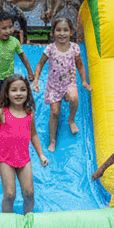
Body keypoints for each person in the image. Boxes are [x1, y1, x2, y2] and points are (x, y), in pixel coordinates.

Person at [0, 75, 48, 213]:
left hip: (24, 159)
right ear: (7, 93)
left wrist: (41, 155)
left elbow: (33, 135)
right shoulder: (1, 113)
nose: (19, 93)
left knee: (29, 194)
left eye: (23, 90)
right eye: (14, 90)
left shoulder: (29, 114)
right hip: (6, 160)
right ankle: (8, 222)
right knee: (10, 194)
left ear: (27, 92)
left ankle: (28, 220)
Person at [31, 16, 91, 152]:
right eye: (58, 30)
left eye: (65, 30)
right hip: (54, 86)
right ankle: (52, 140)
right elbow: (40, 64)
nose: (62, 33)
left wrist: (84, 82)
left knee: (74, 98)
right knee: (54, 113)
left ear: (71, 32)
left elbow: (80, 65)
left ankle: (71, 120)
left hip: (69, 83)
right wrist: (36, 80)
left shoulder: (75, 48)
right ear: (53, 33)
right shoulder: (50, 49)